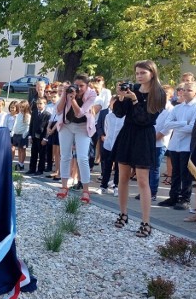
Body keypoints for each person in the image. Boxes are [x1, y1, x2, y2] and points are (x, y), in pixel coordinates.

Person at [113, 60, 166, 237]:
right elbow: (119, 113)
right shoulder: (133, 89)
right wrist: (121, 97)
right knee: (123, 178)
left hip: (144, 137)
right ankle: (123, 213)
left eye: (142, 73)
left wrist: (135, 100)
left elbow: (146, 119)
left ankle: (146, 222)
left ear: (152, 73)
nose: (139, 76)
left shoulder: (158, 93)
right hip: (128, 134)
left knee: (143, 181)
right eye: (137, 73)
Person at [158, 81, 196, 211]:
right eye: (184, 90)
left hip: (187, 146)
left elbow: (192, 128)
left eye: (189, 90)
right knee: (175, 172)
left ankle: (185, 199)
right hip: (175, 143)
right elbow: (167, 124)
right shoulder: (177, 108)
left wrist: (178, 125)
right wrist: (183, 123)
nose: (185, 92)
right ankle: (173, 196)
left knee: (185, 173)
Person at [55, 74, 97, 203]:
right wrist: (65, 94)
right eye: (76, 85)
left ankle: (85, 190)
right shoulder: (69, 90)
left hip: (83, 126)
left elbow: (79, 113)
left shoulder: (92, 94)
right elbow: (58, 110)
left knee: (82, 157)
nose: (78, 88)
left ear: (87, 85)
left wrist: (73, 100)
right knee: (65, 156)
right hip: (67, 125)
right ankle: (64, 187)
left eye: (81, 86)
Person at [98, 96, 124, 194]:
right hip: (108, 144)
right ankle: (103, 185)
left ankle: (116, 186)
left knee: (118, 167)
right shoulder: (108, 116)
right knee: (107, 166)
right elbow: (106, 128)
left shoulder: (125, 117)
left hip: (119, 145)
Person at [26, 96, 51, 175]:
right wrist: (30, 136)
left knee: (42, 154)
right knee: (33, 153)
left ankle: (40, 169)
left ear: (45, 104)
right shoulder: (34, 112)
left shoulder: (47, 115)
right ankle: (32, 169)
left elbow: (47, 127)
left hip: (42, 137)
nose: (39, 105)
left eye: (40, 103)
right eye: (37, 104)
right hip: (34, 136)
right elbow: (31, 125)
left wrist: (45, 138)